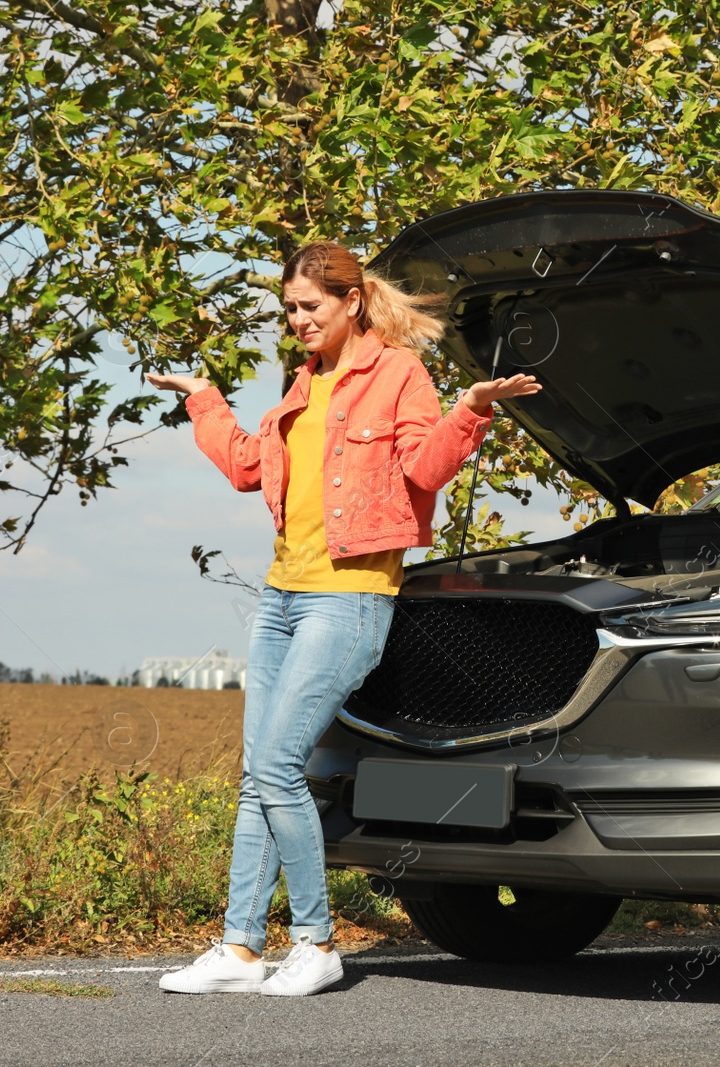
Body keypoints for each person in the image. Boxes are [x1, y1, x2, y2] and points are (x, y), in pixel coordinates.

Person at [146, 241, 541, 996]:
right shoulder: (301, 388)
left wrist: (472, 409)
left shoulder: (396, 374)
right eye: (288, 308)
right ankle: (237, 948)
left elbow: (424, 468)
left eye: (309, 306)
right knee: (257, 773)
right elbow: (244, 467)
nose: (295, 320)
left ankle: (317, 941)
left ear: (350, 302)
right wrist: (203, 396)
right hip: (282, 599)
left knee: (278, 765)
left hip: (350, 598)